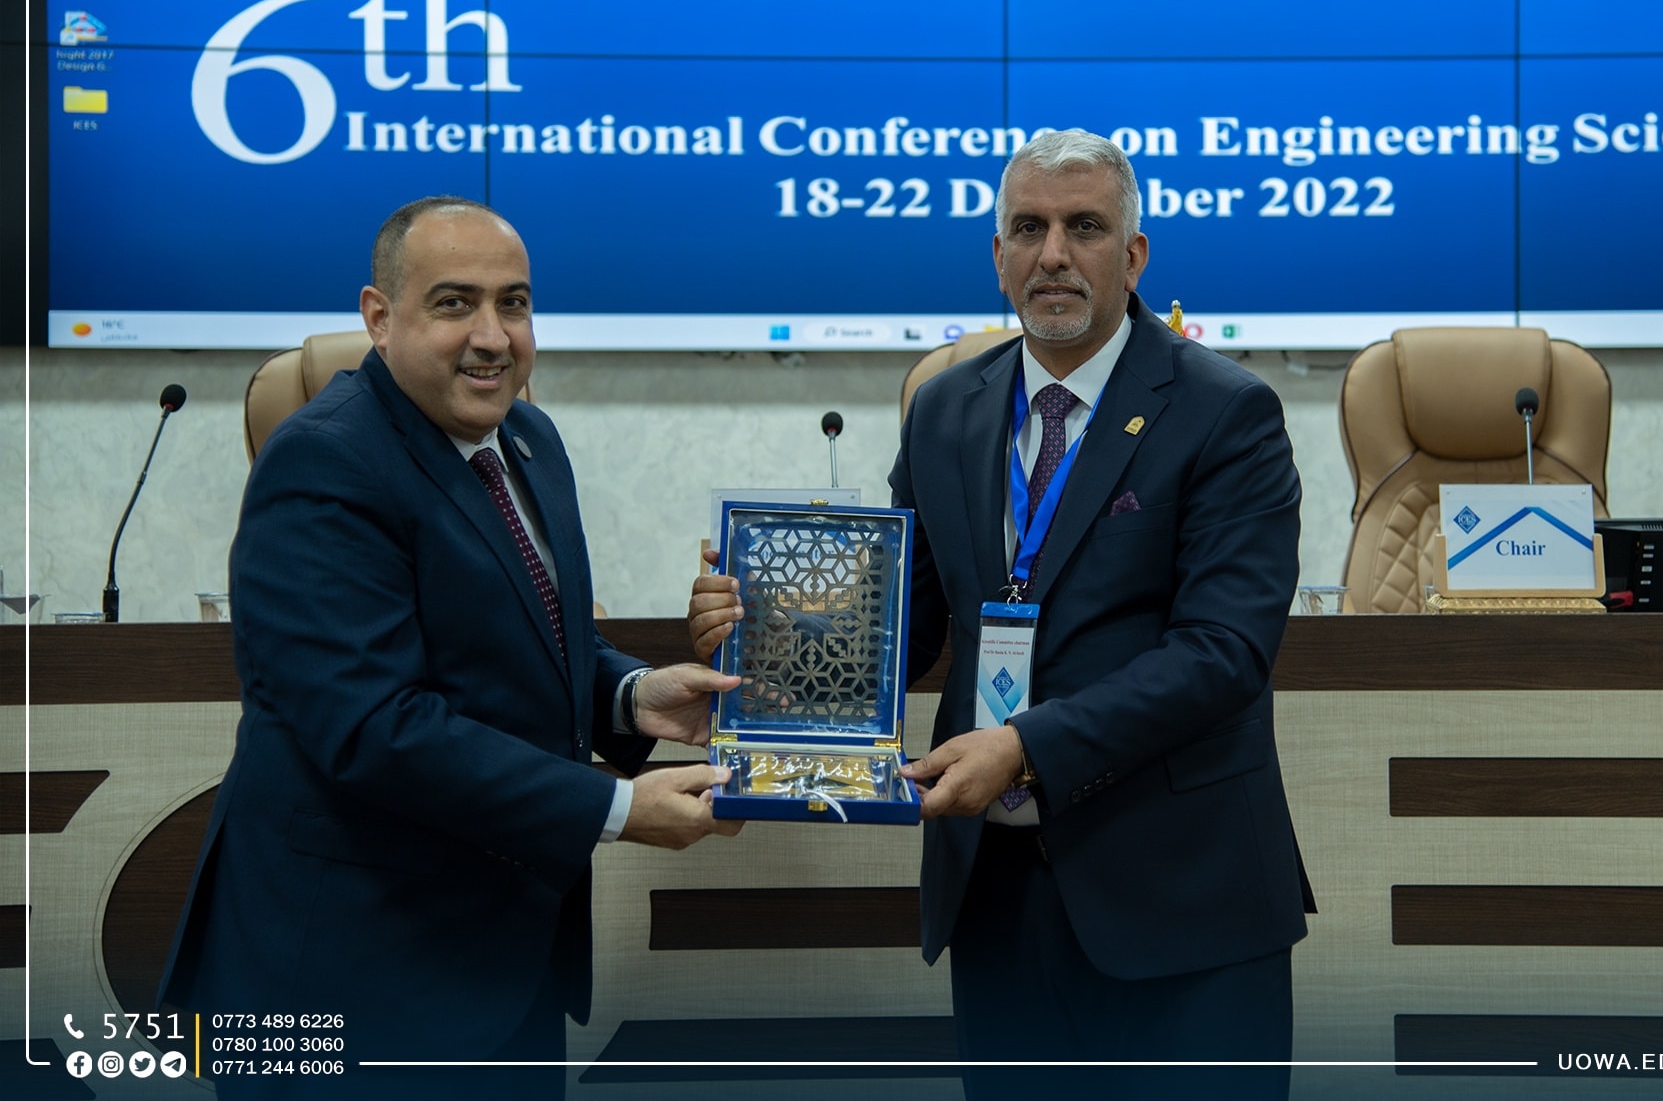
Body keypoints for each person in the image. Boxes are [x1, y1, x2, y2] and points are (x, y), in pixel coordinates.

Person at [692, 131, 1311, 1097]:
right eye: (1028, 228)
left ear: (1134, 256)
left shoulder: (1225, 410)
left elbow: (1223, 654)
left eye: (1084, 228)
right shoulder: (945, 410)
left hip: (1179, 897)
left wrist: (1024, 748)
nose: (1052, 254)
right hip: (993, 889)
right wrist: (763, 646)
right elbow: (907, 629)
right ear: (998, 255)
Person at [161, 196, 742, 1098]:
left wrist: (634, 698)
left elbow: (538, 640)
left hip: (507, 958)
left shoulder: (528, 439)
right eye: (453, 303)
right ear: (378, 317)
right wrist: (618, 808)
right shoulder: (324, 462)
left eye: (514, 303)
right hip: (354, 972)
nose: (493, 336)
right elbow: (374, 727)